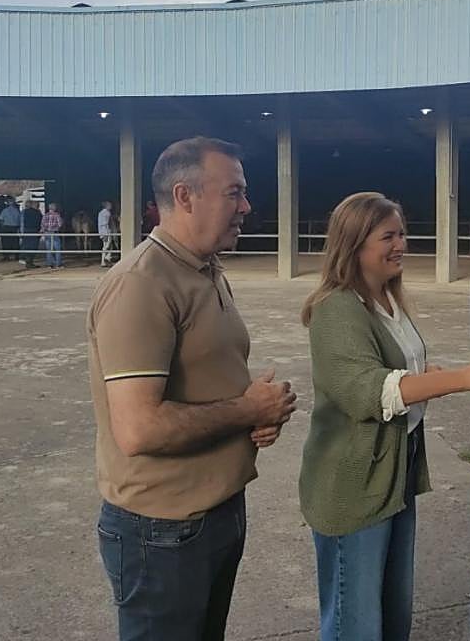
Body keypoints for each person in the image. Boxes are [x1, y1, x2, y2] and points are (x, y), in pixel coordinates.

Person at [88, 137, 297, 641]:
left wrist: (257, 412)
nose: (246, 206)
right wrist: (244, 409)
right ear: (185, 197)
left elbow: (204, 376)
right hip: (162, 530)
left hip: (215, 511)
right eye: (234, 193)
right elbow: (138, 428)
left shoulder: (205, 269)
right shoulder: (141, 284)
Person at [299, 191, 470, 641]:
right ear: (354, 244)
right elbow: (368, 392)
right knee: (354, 620)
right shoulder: (337, 309)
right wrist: (459, 378)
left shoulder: (388, 302)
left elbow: (396, 372)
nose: (401, 245)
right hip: (353, 486)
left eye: (403, 234)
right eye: (388, 236)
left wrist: (424, 375)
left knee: (392, 609)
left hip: (394, 473)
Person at [41, 202, 65, 269]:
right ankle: (58, 264)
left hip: (47, 233)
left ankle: (49, 264)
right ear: (54, 208)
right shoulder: (57, 215)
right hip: (54, 233)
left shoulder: (45, 215)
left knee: (48, 249)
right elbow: (60, 224)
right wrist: (55, 227)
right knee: (57, 249)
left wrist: (44, 230)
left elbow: (42, 225)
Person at [19, 201, 42, 268]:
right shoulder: (38, 213)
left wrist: (21, 231)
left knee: (26, 245)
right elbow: (40, 222)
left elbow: (22, 222)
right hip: (34, 231)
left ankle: (26, 260)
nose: (38, 206)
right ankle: (29, 261)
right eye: (38, 205)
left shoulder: (24, 212)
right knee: (33, 247)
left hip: (26, 230)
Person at [0, 198, 22, 263]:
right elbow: (20, 220)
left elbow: (1, 220)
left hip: (6, 228)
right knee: (15, 242)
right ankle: (16, 256)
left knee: (6, 242)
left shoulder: (4, 211)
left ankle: (6, 256)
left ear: (8, 203)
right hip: (15, 228)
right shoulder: (17, 211)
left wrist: (2, 226)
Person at [97, 201, 115, 268]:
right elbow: (107, 223)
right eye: (110, 205)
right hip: (106, 231)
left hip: (102, 231)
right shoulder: (107, 213)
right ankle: (105, 260)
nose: (111, 206)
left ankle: (106, 260)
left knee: (107, 246)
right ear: (107, 206)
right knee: (106, 246)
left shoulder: (100, 213)